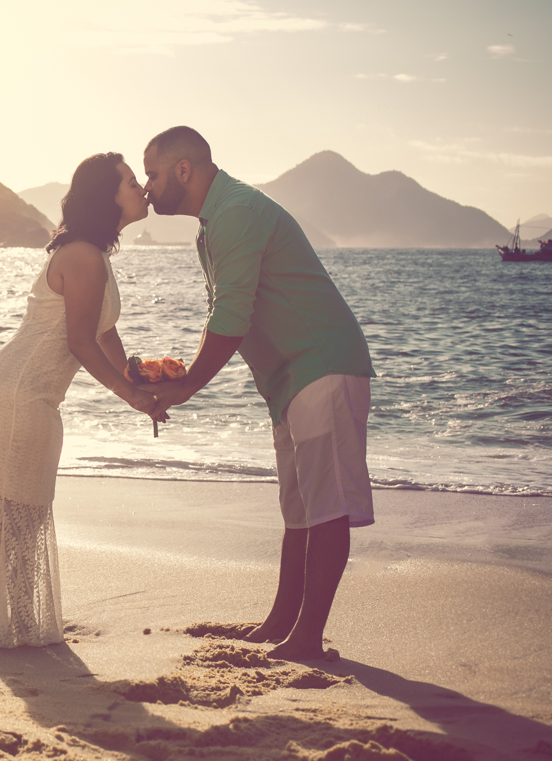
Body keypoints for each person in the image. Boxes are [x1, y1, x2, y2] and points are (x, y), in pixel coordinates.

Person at [138, 126, 375, 661]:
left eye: (152, 173)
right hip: (289, 380)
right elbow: (226, 314)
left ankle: (307, 639)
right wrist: (178, 376)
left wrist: (188, 385)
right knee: (299, 508)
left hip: (322, 364)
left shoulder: (236, 211)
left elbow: (231, 316)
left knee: (327, 507)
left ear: (183, 170)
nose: (148, 187)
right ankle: (281, 623)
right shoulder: (215, 221)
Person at [0, 152, 158, 648]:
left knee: (9, 511)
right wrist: (130, 394)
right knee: (19, 513)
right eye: (132, 182)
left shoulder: (93, 254)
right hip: (21, 394)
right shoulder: (84, 256)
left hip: (18, 390)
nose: (142, 189)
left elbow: (104, 331)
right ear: (107, 199)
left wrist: (137, 377)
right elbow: (80, 342)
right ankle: (14, 626)